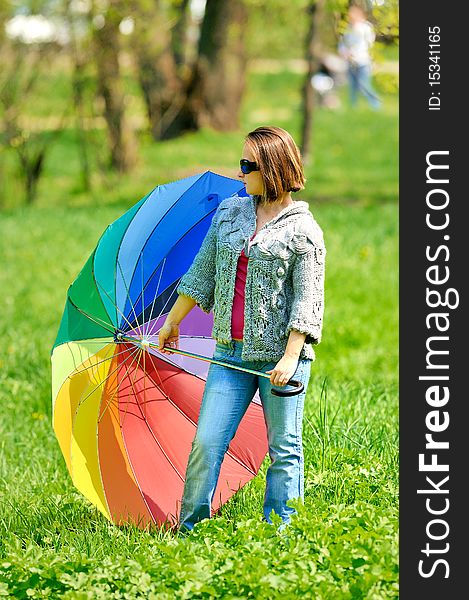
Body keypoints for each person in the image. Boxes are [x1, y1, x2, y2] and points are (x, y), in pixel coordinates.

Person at [158, 126, 326, 534]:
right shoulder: (230, 214)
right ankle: (190, 529)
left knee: (284, 450)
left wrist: (289, 357)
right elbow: (201, 275)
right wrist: (172, 321)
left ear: (272, 170)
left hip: (279, 361)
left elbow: (307, 303)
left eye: (247, 165)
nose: (240, 172)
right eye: (241, 163)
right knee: (207, 443)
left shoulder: (304, 231)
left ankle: (281, 534)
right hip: (229, 355)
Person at [338, 5, 381, 109]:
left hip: (363, 61)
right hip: (351, 62)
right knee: (353, 86)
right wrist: (343, 52)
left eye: (353, 13)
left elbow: (368, 44)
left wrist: (352, 52)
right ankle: (353, 107)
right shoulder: (348, 28)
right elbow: (342, 44)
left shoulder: (366, 28)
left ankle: (376, 104)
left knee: (363, 85)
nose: (350, 15)